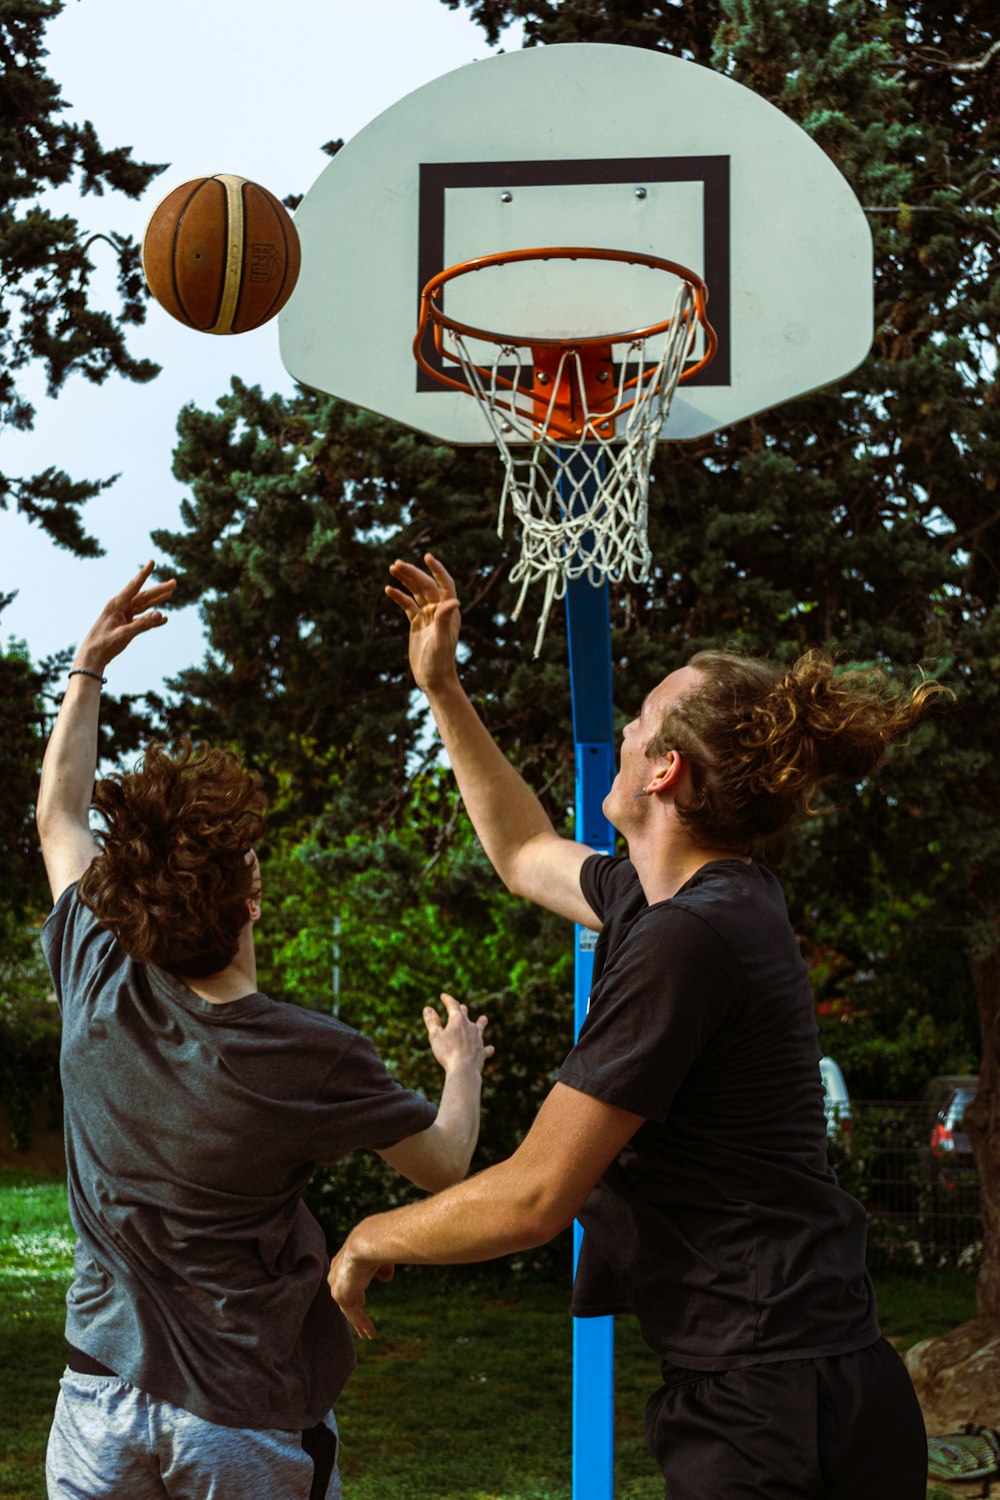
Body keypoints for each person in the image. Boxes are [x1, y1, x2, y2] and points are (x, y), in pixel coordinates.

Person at [328, 552, 944, 1500]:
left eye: (643, 719)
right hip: (818, 1376)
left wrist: (371, 1233)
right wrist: (444, 690)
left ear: (666, 769)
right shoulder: (700, 900)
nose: (623, 727)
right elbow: (524, 850)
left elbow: (536, 1198)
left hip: (768, 1406)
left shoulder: (686, 941)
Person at [37, 563, 493, 1500]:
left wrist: (86, 667)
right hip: (239, 1416)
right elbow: (447, 1167)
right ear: (252, 900)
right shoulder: (308, 1054)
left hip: (93, 1406)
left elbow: (58, 813)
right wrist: (463, 1068)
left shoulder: (97, 970)